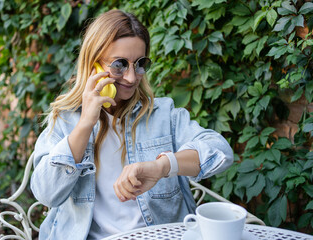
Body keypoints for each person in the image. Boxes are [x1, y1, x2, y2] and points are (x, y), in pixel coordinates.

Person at [30, 9, 234, 240]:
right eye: (119, 64)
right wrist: (86, 123)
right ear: (93, 64)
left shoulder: (162, 115)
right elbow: (46, 194)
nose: (130, 77)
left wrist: (163, 167)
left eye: (139, 63)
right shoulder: (66, 121)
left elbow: (221, 152)